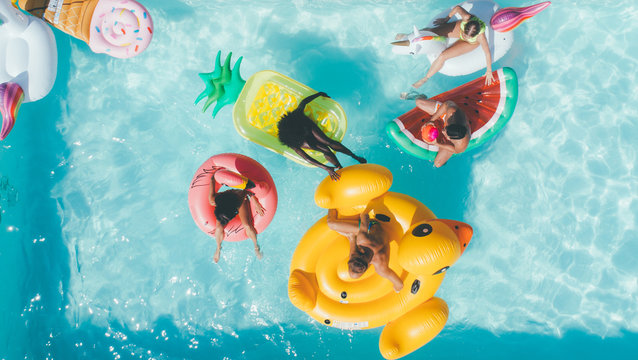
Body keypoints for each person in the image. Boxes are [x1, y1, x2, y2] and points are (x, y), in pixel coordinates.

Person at [393, 5, 494, 88]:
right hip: (460, 29)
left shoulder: (481, 36)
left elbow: (487, 52)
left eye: (467, 36)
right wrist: (447, 18)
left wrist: (489, 70)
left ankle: (425, 78)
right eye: (465, 34)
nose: (465, 36)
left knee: (443, 56)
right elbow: (458, 8)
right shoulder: (467, 17)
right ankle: (408, 36)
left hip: (471, 43)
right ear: (466, 24)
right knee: (431, 31)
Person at [277, 92, 366, 181]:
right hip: (300, 137)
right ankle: (340, 167)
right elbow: (307, 158)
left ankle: (354, 156)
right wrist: (326, 168)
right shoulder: (292, 142)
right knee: (325, 149)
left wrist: (319, 94)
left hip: (306, 126)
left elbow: (304, 102)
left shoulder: (297, 115)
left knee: (328, 142)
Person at [326, 209, 404, 292]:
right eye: (352, 255)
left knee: (354, 274)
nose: (352, 254)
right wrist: (362, 208)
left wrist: (396, 289)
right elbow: (365, 215)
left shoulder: (381, 268)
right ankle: (333, 207)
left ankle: (351, 237)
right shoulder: (363, 240)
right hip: (373, 226)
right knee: (331, 224)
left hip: (379, 238)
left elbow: (400, 285)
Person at [209, 171, 265, 263]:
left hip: (236, 198)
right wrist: (215, 174)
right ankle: (218, 248)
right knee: (218, 227)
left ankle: (256, 246)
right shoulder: (213, 199)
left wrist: (255, 201)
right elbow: (212, 180)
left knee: (247, 225)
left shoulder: (239, 199)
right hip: (225, 201)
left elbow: (249, 190)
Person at [416, 97, 470, 167]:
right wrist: (431, 120)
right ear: (451, 124)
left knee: (437, 164)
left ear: (452, 139)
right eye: (445, 129)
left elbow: (456, 150)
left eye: (447, 135)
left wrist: (437, 143)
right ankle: (428, 99)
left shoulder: (462, 144)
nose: (442, 131)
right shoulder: (452, 112)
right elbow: (445, 105)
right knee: (419, 102)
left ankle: (446, 155)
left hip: (453, 137)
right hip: (446, 117)